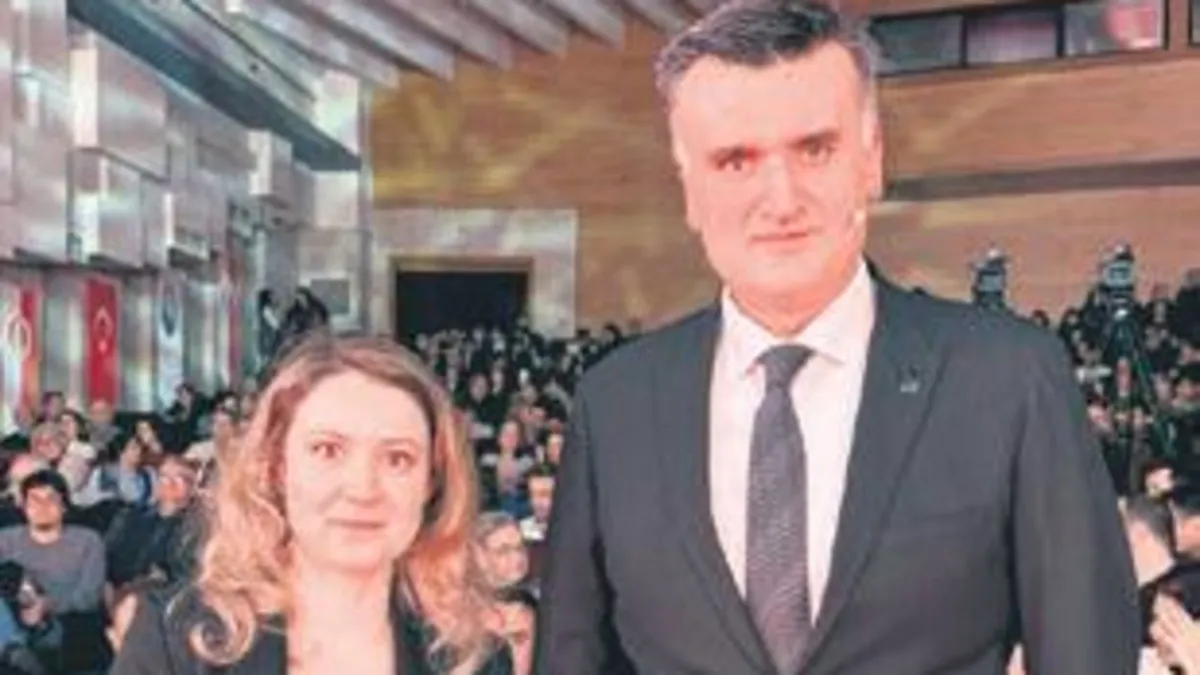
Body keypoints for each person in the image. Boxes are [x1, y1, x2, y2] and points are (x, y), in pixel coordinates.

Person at [532, 2, 1139, 675]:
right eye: (735, 161)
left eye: (814, 149)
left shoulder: (1008, 379)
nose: (781, 199)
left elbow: (1087, 653)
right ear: (690, 190)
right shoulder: (615, 405)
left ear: (871, 161)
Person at [112, 334, 512, 675]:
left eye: (397, 458)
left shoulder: (473, 657)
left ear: (431, 483)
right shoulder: (176, 641)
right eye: (327, 450)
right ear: (277, 468)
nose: (362, 488)